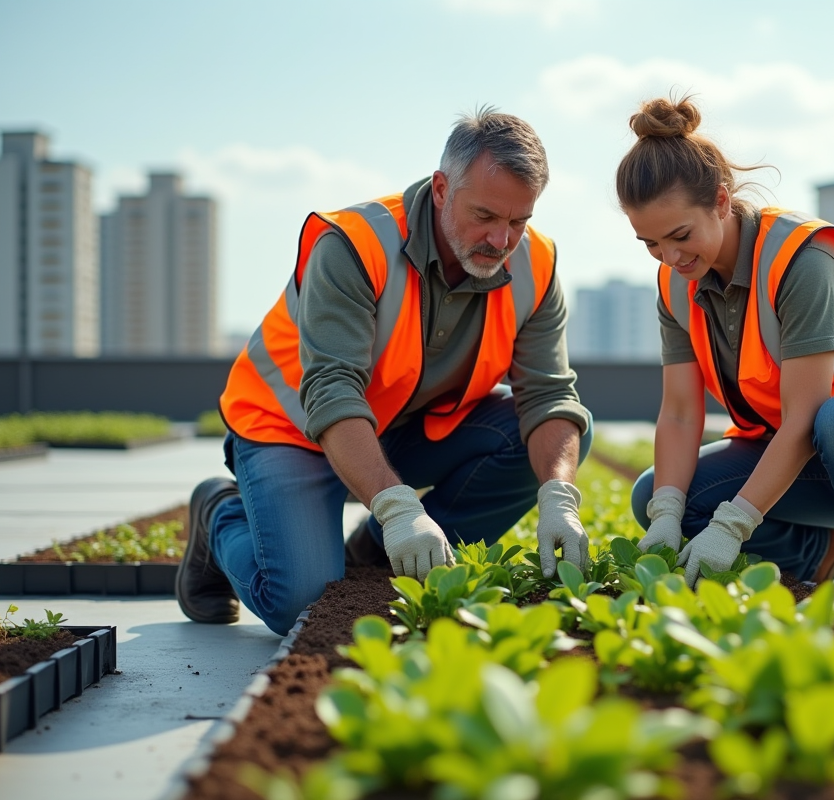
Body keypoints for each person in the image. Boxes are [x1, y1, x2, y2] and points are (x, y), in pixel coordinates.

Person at [178, 108, 593, 636]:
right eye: (485, 215)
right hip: (290, 428)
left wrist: (559, 496)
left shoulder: (536, 265)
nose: (501, 239)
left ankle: (373, 552)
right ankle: (218, 514)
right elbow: (331, 390)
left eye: (518, 221)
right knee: (299, 606)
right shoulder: (354, 244)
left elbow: (548, 393)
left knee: (555, 431)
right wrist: (402, 508)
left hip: (397, 428)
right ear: (442, 189)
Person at [616, 97, 834, 649]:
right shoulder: (676, 287)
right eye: (651, 244)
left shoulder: (803, 262)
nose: (669, 257)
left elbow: (806, 417)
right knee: (654, 493)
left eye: (680, 235)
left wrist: (733, 526)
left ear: (721, 201)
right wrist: (666, 514)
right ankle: (815, 558)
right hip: (817, 452)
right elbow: (682, 414)